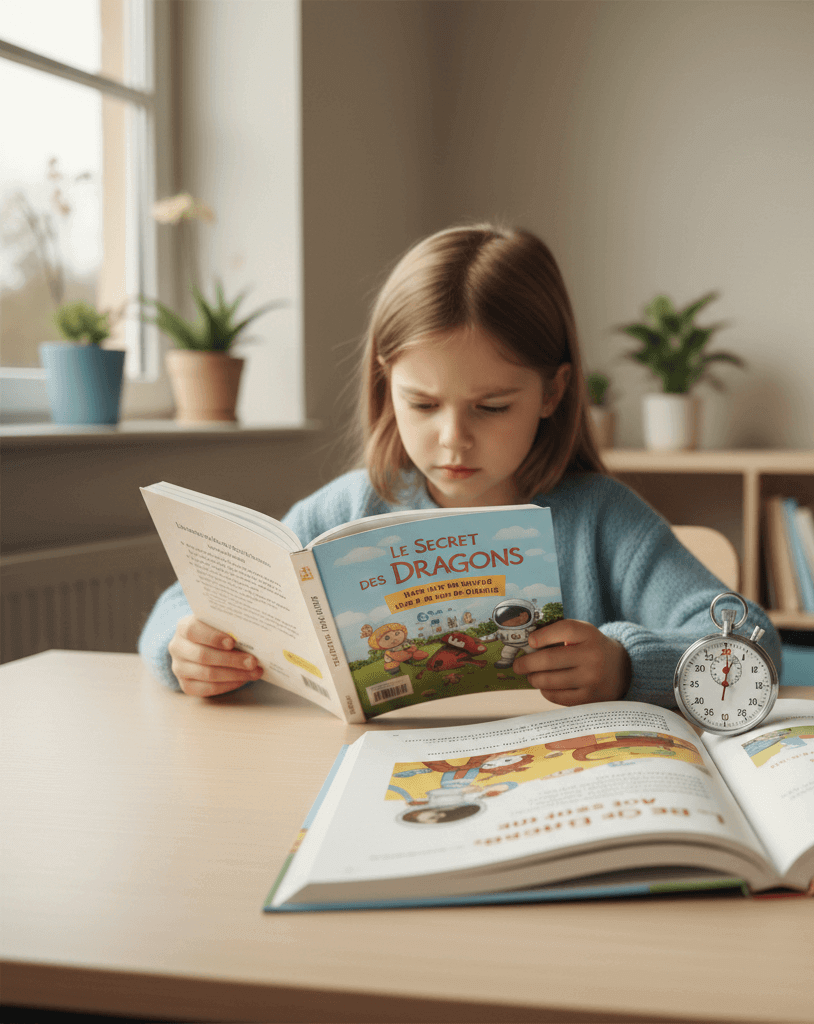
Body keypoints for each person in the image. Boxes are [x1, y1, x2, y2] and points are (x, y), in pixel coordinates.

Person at [138, 224, 780, 708]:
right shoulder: (348, 509)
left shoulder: (601, 521)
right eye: (421, 403)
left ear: (553, 393)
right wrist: (186, 646)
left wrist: (626, 665)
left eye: (492, 407)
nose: (453, 440)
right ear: (385, 384)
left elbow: (755, 644)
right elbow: (181, 603)